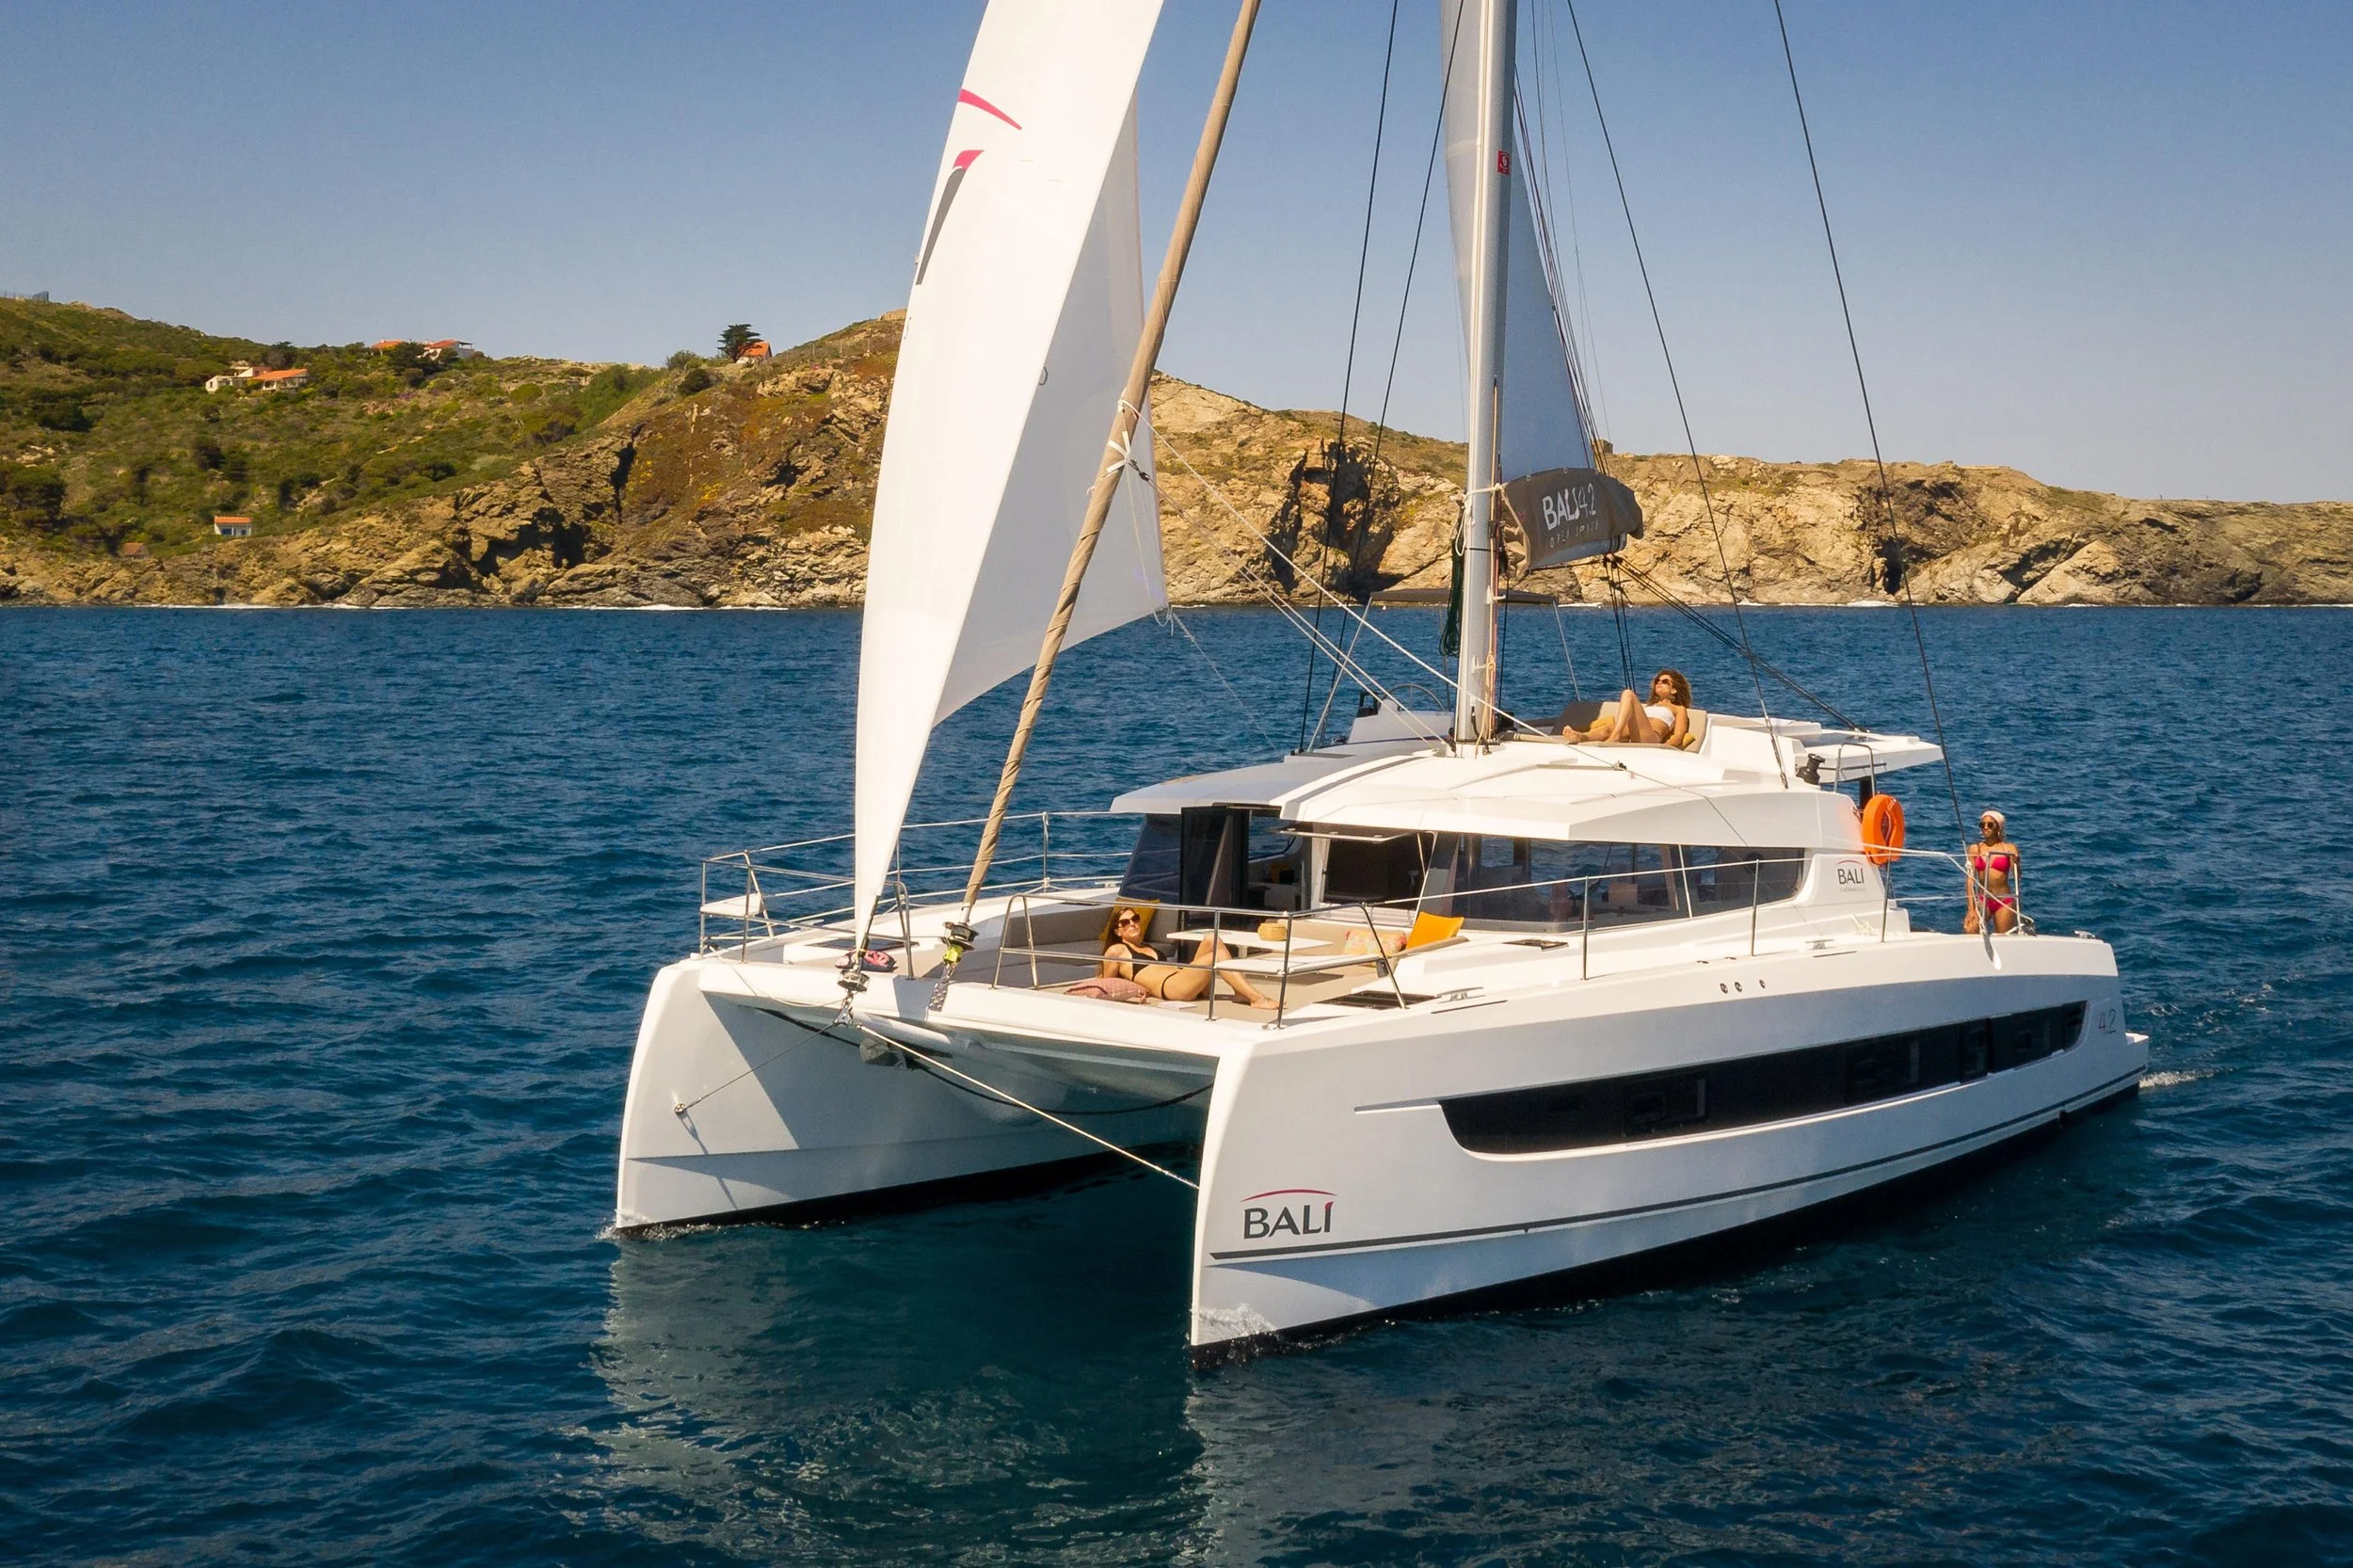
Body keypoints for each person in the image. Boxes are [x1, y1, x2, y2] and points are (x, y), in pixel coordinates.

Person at [1081, 905, 1277, 1008]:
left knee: (1212, 940)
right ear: (1117, 931)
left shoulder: (1147, 947)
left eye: (1135, 919)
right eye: (1125, 923)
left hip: (1181, 977)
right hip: (1171, 988)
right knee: (1214, 956)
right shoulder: (1117, 950)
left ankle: (1240, 992)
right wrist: (1137, 990)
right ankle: (1255, 998)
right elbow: (1109, 984)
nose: (1132, 924)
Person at [1568, 668, 1690, 746]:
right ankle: (1582, 737)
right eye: (1658, 680)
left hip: (1651, 738)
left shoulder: (1679, 709)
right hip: (1634, 735)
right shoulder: (1649, 706)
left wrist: (1663, 749)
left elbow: (1678, 737)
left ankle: (1615, 737)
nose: (1659, 682)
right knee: (1609, 728)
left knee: (1628, 694)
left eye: (1665, 681)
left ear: (1674, 690)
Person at [1964, 810, 2022, 935]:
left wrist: (2017, 863)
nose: (1985, 827)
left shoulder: (2009, 848)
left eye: (1990, 825)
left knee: (2003, 938)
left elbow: (2018, 876)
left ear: (1998, 827)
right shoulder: (1975, 849)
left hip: (2003, 900)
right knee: (1970, 930)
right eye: (1982, 824)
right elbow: (1970, 880)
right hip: (1983, 899)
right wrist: (1971, 909)